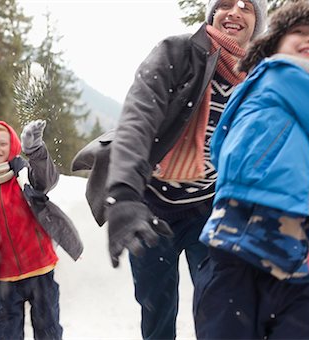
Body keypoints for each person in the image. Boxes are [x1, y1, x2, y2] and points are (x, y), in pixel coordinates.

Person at [71, 0, 268, 338]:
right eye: (224, 4)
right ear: (212, 15)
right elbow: (138, 120)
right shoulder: (178, 53)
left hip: (211, 208)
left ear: (257, 23)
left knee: (219, 304)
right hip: (152, 206)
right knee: (156, 305)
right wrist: (125, 194)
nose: (234, 11)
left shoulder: (259, 78)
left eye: (247, 7)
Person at [194, 1, 309, 339]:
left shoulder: (274, 100)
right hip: (243, 252)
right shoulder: (285, 74)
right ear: (273, 46)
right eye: (300, 33)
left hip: (271, 256)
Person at [0, 119, 83, 340]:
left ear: (12, 146)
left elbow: (47, 179)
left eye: (2, 143)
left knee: (48, 330)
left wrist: (35, 151)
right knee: (6, 333)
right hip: (4, 278)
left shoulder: (25, 178)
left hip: (40, 271)